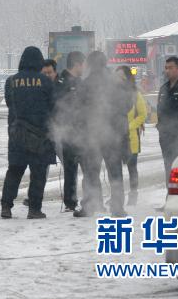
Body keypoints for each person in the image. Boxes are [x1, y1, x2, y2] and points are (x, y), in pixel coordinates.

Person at [73, 51, 133, 218]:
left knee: (90, 172)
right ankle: (117, 208)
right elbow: (127, 105)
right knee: (115, 172)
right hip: (112, 135)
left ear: (90, 64)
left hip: (92, 134)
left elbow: (78, 110)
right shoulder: (116, 82)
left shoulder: (85, 84)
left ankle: (89, 206)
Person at [0, 46, 56, 220]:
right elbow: (53, 106)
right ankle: (34, 209)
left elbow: (9, 103)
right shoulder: (45, 81)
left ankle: (6, 207)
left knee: (14, 171)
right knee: (38, 174)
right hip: (40, 136)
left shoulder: (11, 81)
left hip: (16, 134)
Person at [51, 51, 85, 211]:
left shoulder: (80, 82)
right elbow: (56, 106)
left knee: (86, 168)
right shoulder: (61, 82)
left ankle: (89, 199)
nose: (84, 68)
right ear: (77, 64)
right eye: (83, 65)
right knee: (71, 169)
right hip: (68, 131)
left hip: (81, 131)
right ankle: (70, 202)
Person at [116, 65, 148, 206]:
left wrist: (129, 126)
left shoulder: (135, 94)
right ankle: (117, 196)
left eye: (121, 76)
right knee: (115, 169)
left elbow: (142, 115)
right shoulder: (112, 94)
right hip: (115, 137)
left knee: (132, 168)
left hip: (131, 137)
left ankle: (133, 195)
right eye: (116, 76)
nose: (118, 79)